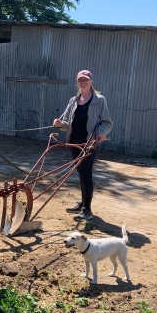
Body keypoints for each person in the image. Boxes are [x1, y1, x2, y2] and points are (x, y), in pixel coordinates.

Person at [53, 69, 113, 221]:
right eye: (80, 80)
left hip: (90, 142)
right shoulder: (73, 100)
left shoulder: (99, 100)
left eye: (85, 79)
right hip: (74, 142)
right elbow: (66, 123)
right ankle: (83, 203)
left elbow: (106, 122)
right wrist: (60, 125)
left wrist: (101, 133)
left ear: (91, 81)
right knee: (80, 171)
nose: (83, 82)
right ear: (77, 82)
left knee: (86, 171)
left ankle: (87, 209)